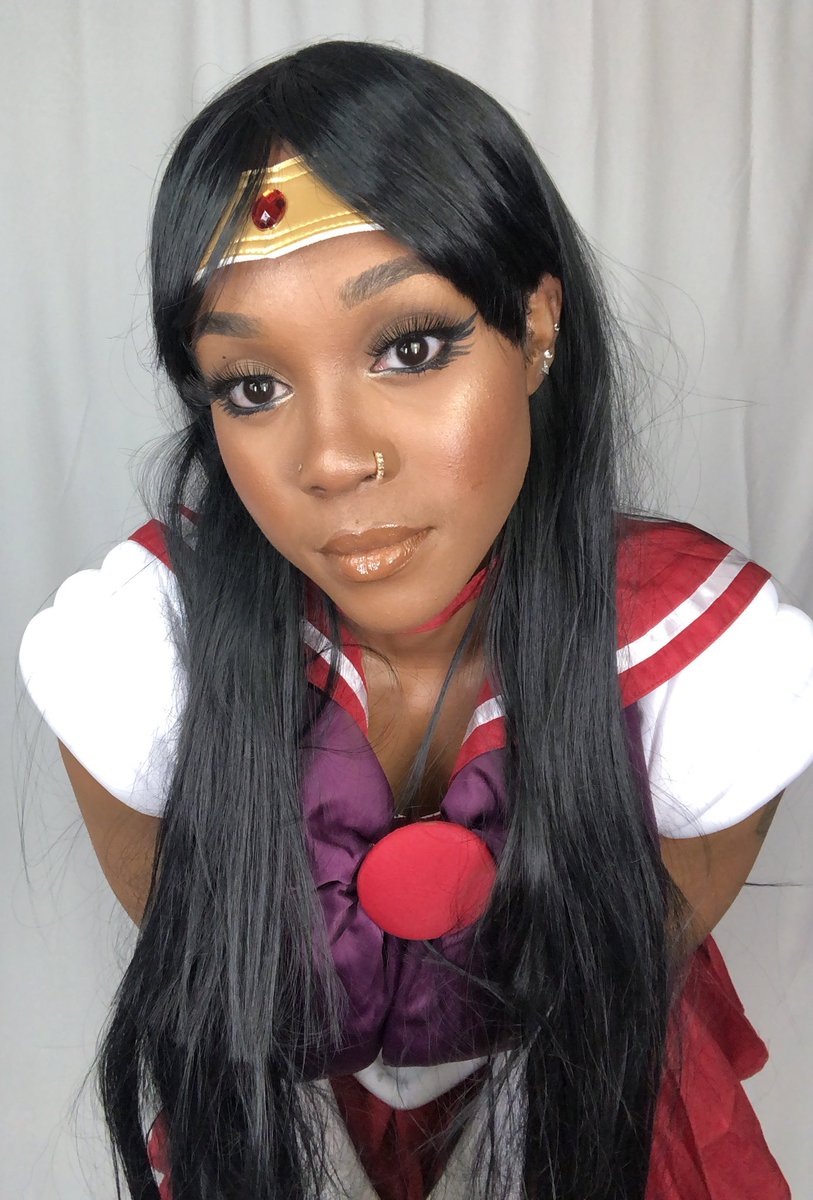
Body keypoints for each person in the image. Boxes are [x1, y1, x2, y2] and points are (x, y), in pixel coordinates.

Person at [17, 39, 813, 1200]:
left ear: (537, 327)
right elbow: (211, 981)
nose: (334, 460)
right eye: (255, 386)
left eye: (410, 347)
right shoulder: (137, 661)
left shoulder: (710, 672)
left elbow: (632, 973)